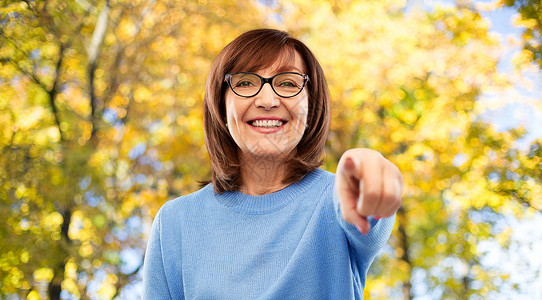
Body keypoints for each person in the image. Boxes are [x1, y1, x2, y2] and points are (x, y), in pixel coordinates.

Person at [142, 28, 403, 299]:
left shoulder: (336, 199)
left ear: (311, 105)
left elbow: (368, 204)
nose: (267, 101)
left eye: (288, 83)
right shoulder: (174, 223)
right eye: (244, 83)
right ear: (221, 105)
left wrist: (369, 166)